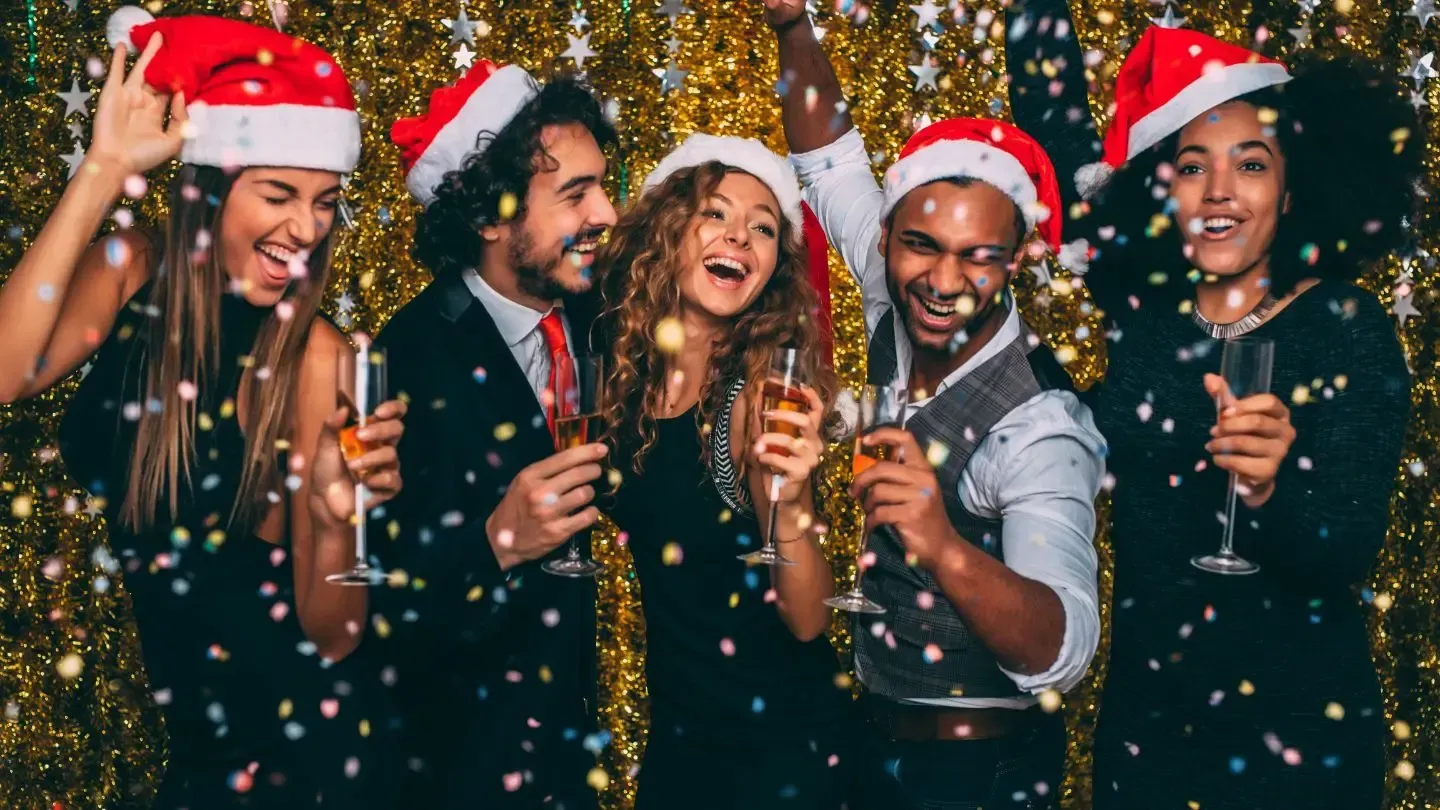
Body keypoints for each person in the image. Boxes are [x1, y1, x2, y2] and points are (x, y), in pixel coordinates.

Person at [1005, 6, 1420, 808]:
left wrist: (1270, 492)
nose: (1220, 191)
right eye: (1193, 166)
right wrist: (1003, 324)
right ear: (1166, 189)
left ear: (1293, 188)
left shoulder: (1346, 327)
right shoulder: (1154, 325)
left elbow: (1343, 553)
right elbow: (1085, 433)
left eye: (1252, 165)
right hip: (1149, 737)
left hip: (1297, 747)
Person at [0, 8, 407, 807]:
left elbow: (335, 635)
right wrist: (102, 169)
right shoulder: (129, 271)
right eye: (281, 194)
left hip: (298, 767)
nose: (306, 228)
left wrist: (333, 510)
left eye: (326, 201)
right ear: (211, 188)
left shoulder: (324, 357)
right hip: (193, 756)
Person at [762, 3, 1106, 808]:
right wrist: (791, 26)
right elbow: (828, 160)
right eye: (922, 246)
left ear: (1016, 257)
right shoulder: (896, 296)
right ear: (888, 236)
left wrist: (941, 543)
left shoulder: (1041, 426)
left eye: (979, 257)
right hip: (866, 742)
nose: (945, 284)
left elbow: (1066, 649)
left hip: (977, 775)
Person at [372, 61, 618, 809]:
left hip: (570, 757)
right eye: (575, 193)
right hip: (457, 769)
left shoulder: (595, 318)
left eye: (603, 183)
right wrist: (496, 543)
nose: (607, 211)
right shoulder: (408, 356)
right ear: (489, 216)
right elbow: (369, 604)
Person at [593, 133, 848, 810]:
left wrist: (790, 503)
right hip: (682, 745)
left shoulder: (758, 398)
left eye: (763, 228)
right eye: (716, 213)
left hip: (777, 760)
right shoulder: (625, 377)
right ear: (667, 233)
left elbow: (807, 619)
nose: (739, 236)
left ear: (773, 268)